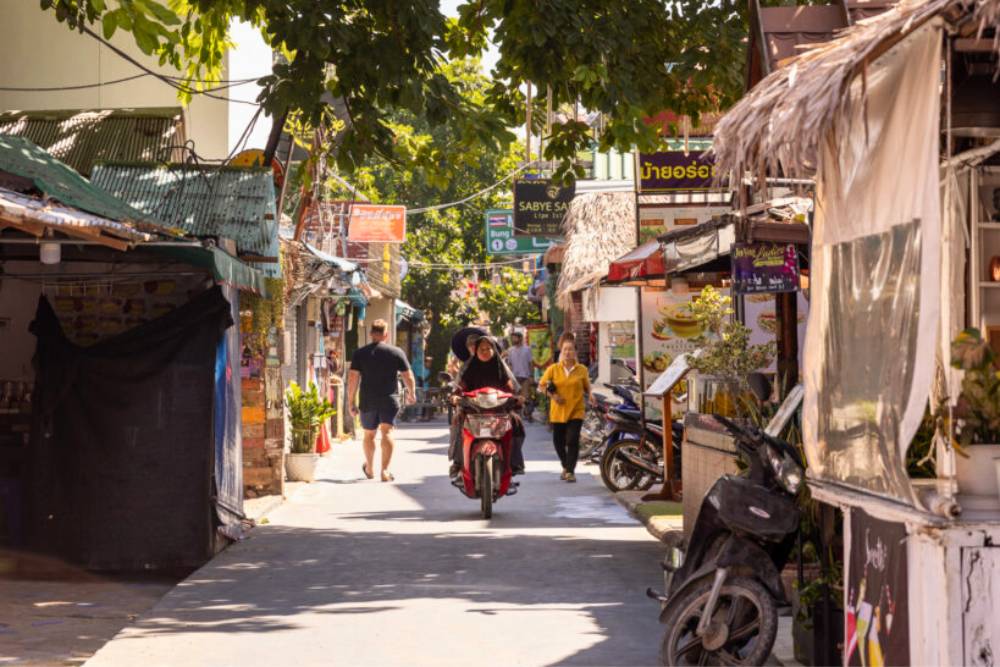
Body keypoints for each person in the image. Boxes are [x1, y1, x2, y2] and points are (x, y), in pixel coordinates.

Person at [348, 319, 416, 482]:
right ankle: (384, 471)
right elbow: (408, 375)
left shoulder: (360, 353)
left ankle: (370, 468)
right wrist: (411, 393)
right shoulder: (396, 352)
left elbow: (352, 378)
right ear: (386, 334)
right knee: (387, 432)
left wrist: (350, 402)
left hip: (368, 400)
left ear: (371, 333)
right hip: (389, 399)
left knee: (369, 435)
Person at [449, 335, 525, 480]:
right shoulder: (470, 368)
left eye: (488, 348)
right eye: (481, 349)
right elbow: (460, 387)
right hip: (472, 410)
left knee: (516, 422)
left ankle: (514, 463)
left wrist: (517, 398)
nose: (485, 351)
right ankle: (458, 462)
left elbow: (511, 389)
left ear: (494, 350)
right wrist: (455, 396)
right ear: (476, 351)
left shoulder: (501, 368)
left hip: (499, 410)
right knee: (457, 421)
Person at [538, 337, 593, 482]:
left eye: (570, 349)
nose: (568, 352)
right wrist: (553, 396)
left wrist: (592, 396)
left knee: (572, 439)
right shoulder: (553, 369)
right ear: (561, 352)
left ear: (575, 351)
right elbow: (541, 385)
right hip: (558, 410)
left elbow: (587, 387)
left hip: (576, 409)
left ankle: (570, 471)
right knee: (558, 441)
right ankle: (566, 465)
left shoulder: (582, 370)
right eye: (565, 350)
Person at [506, 331, 534, 421]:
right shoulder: (510, 350)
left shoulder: (527, 349)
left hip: (525, 376)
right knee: (515, 398)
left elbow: (530, 363)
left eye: (515, 337)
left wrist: (531, 375)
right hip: (514, 377)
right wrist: (509, 376)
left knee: (526, 397)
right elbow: (509, 364)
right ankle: (517, 416)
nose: (513, 339)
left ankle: (528, 414)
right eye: (512, 337)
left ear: (520, 338)